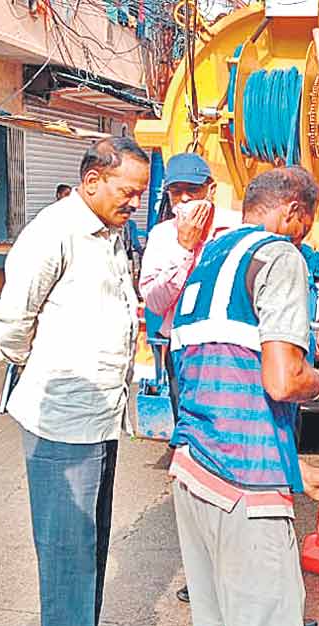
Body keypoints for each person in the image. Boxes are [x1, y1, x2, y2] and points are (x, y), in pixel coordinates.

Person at [168, 166, 319, 626]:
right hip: (244, 490)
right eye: (305, 223)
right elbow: (281, 380)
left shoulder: (207, 257)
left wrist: (293, 470)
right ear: (291, 213)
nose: (303, 235)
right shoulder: (280, 257)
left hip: (194, 467)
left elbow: (209, 375)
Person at [0, 137, 150, 626]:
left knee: (87, 549)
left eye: (138, 193)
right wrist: (44, 367)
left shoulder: (107, 234)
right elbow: (8, 324)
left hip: (99, 418)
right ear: (92, 182)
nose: (135, 202)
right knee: (67, 556)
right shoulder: (54, 232)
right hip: (62, 423)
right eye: (127, 191)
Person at [139, 152, 241, 423]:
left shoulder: (236, 228)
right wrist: (184, 248)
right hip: (183, 346)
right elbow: (154, 302)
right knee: (189, 423)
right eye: (176, 192)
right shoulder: (162, 236)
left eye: (192, 191)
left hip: (230, 345)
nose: (184, 199)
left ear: (211, 191)